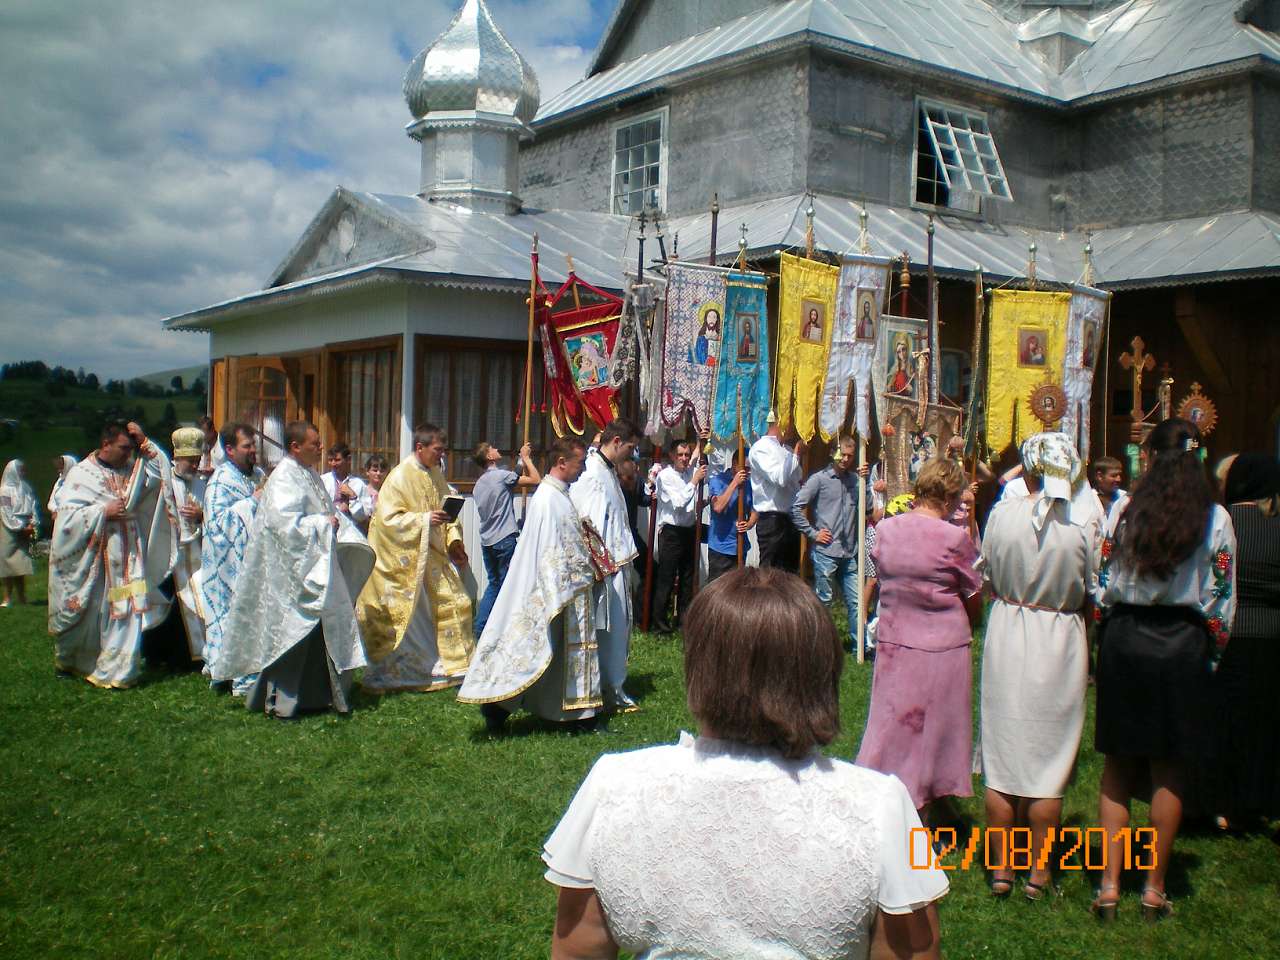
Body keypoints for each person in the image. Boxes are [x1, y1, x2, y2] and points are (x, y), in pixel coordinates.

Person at [543, 567, 948, 959]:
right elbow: (911, 948)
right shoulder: (882, 804)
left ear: (698, 668)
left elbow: (578, 946)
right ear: (821, 672)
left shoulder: (615, 784)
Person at [1092, 418, 1236, 921]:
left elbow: (1102, 581)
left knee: (1117, 765)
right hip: (1181, 643)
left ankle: (1108, 886)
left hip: (1126, 639)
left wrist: (1103, 637)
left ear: (1148, 459)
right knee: (1167, 768)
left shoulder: (1123, 510)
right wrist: (1211, 654)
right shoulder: (1214, 517)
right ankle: (1154, 887)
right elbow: (1221, 595)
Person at [979, 434, 1101, 900]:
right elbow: (1095, 585)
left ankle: (1002, 870)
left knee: (1004, 755)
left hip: (1008, 631)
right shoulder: (1083, 521)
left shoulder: (1001, 513)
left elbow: (986, 573)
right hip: (1059, 639)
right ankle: (1039, 872)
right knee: (1047, 762)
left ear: (1028, 468)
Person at [214, 421, 374, 718]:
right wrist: (323, 525)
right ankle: (280, 703)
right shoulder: (284, 478)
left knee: (318, 638)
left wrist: (338, 526)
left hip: (313, 568)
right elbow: (284, 527)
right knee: (292, 639)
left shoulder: (309, 474)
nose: (321, 448)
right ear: (295, 447)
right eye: (315, 443)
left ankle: (314, 697)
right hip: (291, 576)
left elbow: (325, 511)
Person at [856, 458, 983, 818]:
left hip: (894, 642)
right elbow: (973, 593)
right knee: (934, 735)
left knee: (890, 725)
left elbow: (881, 575)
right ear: (951, 496)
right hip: (941, 648)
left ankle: (891, 800)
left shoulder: (886, 530)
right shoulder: (954, 538)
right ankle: (921, 810)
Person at [459, 437, 606, 730]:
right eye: (579, 463)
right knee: (529, 648)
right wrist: (575, 576)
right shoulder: (547, 499)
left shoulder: (558, 495)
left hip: (568, 589)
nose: (582, 470)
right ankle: (497, 707)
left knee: (552, 654)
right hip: (555, 590)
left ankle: (570, 713)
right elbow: (550, 551)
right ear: (562, 462)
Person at [48, 421, 174, 688]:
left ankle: (118, 670)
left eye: (131, 449)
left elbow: (162, 474)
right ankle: (74, 660)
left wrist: (146, 443)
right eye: (123, 448)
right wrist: (102, 512)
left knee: (127, 608)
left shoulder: (132, 470)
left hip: (128, 555)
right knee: (90, 611)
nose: (128, 454)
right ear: (106, 444)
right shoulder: (82, 474)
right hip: (94, 558)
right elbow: (66, 520)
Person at [355, 423, 474, 694]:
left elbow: (446, 503)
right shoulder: (399, 477)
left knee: (459, 602)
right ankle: (412, 668)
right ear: (419, 447)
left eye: (443, 450)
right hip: (409, 562)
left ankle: (447, 663)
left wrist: (453, 540)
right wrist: (423, 519)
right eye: (437, 450)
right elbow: (386, 521)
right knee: (418, 618)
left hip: (433, 556)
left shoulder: (434, 473)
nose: (440, 456)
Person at [1203, 454, 1280, 831]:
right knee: (1265, 723)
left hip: (1227, 631)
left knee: (1224, 720)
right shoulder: (1276, 526)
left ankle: (1222, 804)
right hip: (1271, 634)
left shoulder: (1218, 522)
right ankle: (1262, 802)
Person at [570, 418, 641, 711]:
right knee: (610, 630)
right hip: (606, 566)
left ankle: (613, 684)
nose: (633, 455)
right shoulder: (592, 475)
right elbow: (590, 524)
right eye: (631, 448)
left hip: (617, 562)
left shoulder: (607, 471)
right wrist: (601, 566)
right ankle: (610, 688)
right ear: (616, 443)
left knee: (619, 628)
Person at [200, 422, 263, 691]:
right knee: (232, 620)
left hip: (255, 563)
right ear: (229, 449)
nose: (252, 451)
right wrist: (253, 502)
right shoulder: (220, 482)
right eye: (246, 446)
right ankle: (231, 674)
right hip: (227, 570)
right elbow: (217, 526)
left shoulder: (257, 475)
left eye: (253, 446)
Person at [140, 428, 208, 670]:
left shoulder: (202, 483)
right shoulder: (164, 481)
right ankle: (156, 655)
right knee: (163, 604)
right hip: (167, 553)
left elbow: (211, 513)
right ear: (177, 458)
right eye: (190, 461)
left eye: (197, 460)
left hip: (193, 555)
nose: (194, 465)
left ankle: (187, 656)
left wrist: (202, 516)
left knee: (193, 604)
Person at [791, 436, 863, 650]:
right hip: (827, 551)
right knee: (824, 600)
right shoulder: (819, 479)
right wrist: (813, 533)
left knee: (856, 602)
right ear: (833, 453)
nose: (846, 459)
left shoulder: (855, 481)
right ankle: (819, 645)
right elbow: (796, 507)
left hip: (849, 551)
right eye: (843, 454)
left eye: (850, 456)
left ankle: (859, 647)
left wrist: (865, 483)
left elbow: (867, 508)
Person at [470, 439, 540, 639]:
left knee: (494, 584)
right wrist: (526, 458)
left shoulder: (480, 484)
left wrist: (520, 460)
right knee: (511, 584)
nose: (496, 448)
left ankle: (481, 627)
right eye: (492, 448)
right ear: (489, 456)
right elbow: (535, 479)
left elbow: (511, 479)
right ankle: (506, 628)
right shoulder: (501, 477)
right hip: (505, 539)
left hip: (488, 541)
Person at [648, 439, 706, 633]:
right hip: (671, 532)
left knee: (688, 579)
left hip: (689, 530)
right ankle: (660, 625)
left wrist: (700, 439)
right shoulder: (665, 476)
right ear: (672, 456)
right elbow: (679, 502)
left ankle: (683, 622)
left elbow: (699, 454)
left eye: (687, 455)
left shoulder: (690, 471)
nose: (684, 458)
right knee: (667, 578)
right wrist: (694, 481)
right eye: (680, 455)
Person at [748, 414, 805, 572]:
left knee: (789, 573)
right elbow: (779, 478)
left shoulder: (786, 450)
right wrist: (797, 453)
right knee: (770, 574)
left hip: (790, 518)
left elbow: (798, 482)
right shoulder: (760, 448)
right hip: (772, 520)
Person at [706, 451, 755, 583]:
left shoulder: (749, 485)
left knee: (736, 588)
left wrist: (748, 524)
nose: (747, 472)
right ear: (735, 464)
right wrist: (734, 483)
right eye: (744, 468)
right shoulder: (718, 481)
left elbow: (755, 511)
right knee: (717, 590)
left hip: (740, 546)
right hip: (720, 547)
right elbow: (718, 507)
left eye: (749, 469)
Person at [1, 460, 39, 607]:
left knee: (20, 564)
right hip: (9, 528)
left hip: (25, 526)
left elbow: (33, 506)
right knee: (7, 563)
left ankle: (22, 596)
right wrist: (19, 527)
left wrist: (32, 523)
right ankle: (7, 597)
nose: (23, 473)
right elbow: (5, 511)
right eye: (20, 470)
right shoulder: (4, 490)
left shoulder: (26, 488)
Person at [322, 442, 372, 527]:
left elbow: (363, 517)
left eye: (337, 460)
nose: (333, 463)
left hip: (351, 535)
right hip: (328, 531)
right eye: (330, 460)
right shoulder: (323, 481)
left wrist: (352, 496)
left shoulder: (358, 484)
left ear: (348, 459)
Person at [46, 454, 78, 525]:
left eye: (61, 468)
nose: (59, 471)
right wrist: (54, 510)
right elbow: (52, 500)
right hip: (58, 519)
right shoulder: (59, 481)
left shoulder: (79, 481)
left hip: (73, 520)